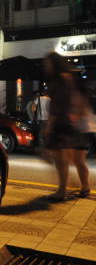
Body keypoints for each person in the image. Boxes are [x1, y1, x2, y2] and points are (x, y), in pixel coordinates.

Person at [43, 52, 90, 201]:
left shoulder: (60, 80)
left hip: (61, 123)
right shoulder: (67, 78)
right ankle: (65, 188)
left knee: (61, 159)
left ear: (54, 63)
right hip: (66, 123)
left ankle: (62, 190)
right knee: (63, 158)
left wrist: (50, 125)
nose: (46, 66)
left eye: (48, 63)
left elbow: (58, 105)